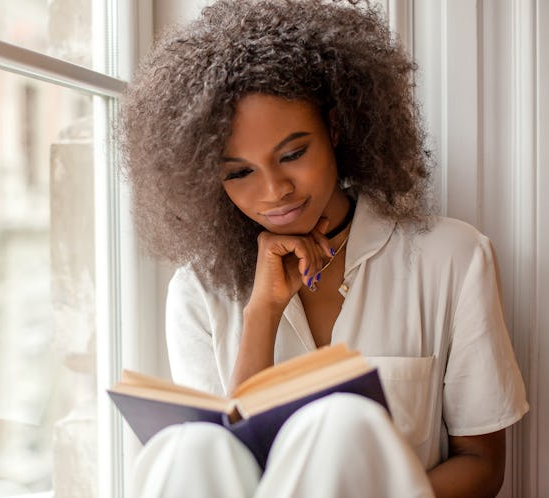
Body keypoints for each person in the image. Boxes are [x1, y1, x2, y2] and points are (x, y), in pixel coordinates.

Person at [117, 0, 529, 496]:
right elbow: (225, 469)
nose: (274, 191)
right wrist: (262, 313)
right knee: (188, 447)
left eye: (292, 154)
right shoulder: (197, 290)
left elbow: (482, 464)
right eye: (239, 172)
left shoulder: (452, 258)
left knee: (339, 424)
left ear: (334, 130)